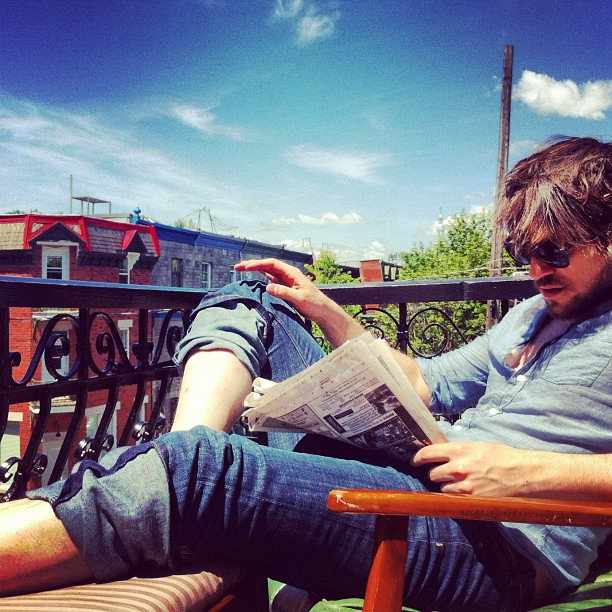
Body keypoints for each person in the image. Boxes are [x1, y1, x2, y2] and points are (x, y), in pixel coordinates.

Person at [1, 137, 610, 609]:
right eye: (525, 253)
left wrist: (525, 471)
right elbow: (427, 383)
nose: (536, 270)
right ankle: (176, 464)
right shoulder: (533, 314)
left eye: (554, 251)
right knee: (255, 297)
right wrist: (323, 310)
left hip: (504, 546)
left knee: (199, 472)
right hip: (423, 483)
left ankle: (176, 478)